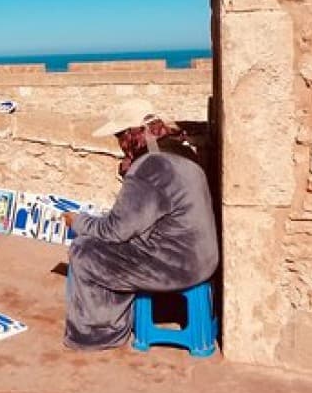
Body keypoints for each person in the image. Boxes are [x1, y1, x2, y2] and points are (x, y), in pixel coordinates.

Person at [62, 98, 219, 350]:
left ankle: (99, 335)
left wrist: (77, 221)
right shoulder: (182, 151)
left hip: (177, 266)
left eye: (120, 137)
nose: (119, 145)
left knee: (84, 251)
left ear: (132, 135)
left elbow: (114, 231)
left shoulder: (149, 168)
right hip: (204, 259)